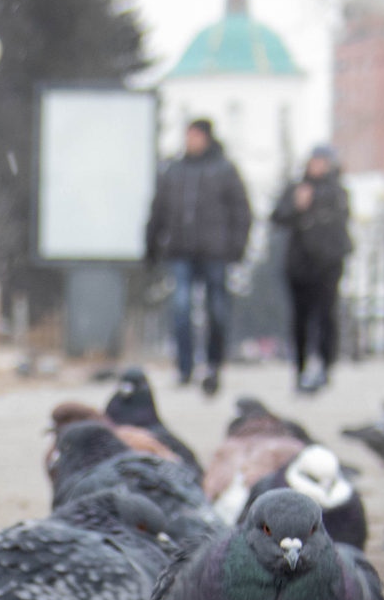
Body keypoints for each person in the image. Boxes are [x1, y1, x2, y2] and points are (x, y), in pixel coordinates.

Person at [144, 118, 252, 395]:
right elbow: (158, 210)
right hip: (180, 251)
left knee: (217, 310)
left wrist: (236, 248)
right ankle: (184, 366)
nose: (190, 141)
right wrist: (152, 245)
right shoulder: (174, 170)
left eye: (195, 136)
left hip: (215, 252)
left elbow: (242, 211)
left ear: (206, 138)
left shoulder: (224, 170)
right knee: (180, 308)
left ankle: (214, 364)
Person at [272, 146, 353, 395]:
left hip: (328, 263)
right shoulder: (296, 188)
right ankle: (300, 366)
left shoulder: (338, 191)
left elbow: (341, 223)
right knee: (300, 318)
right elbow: (278, 218)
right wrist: (298, 206)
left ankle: (325, 365)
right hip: (300, 264)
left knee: (326, 316)